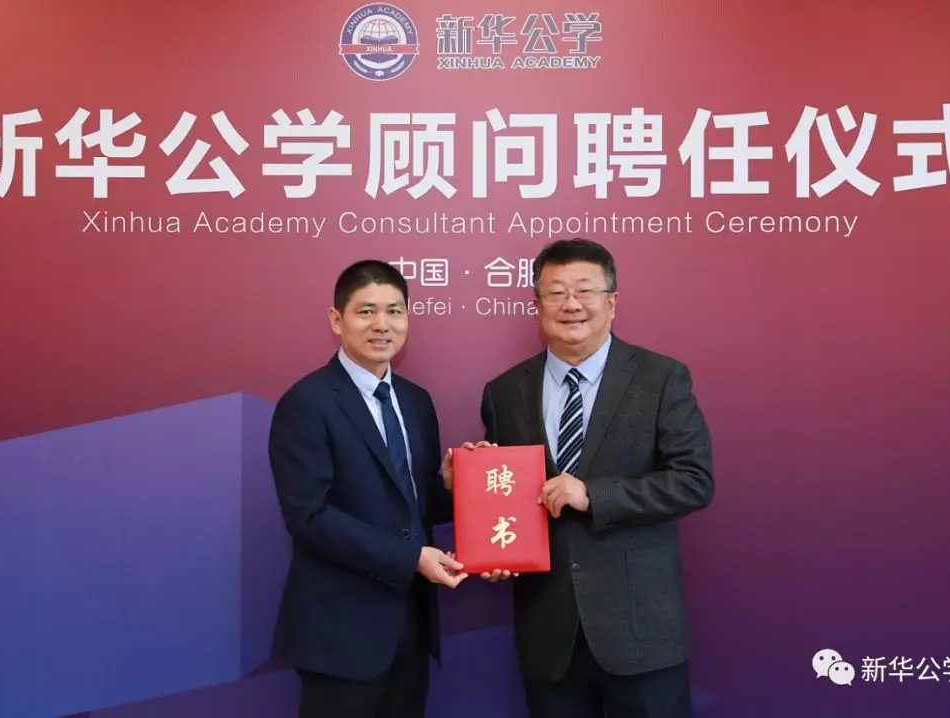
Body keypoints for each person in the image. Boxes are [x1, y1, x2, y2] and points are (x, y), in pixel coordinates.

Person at [446, 238, 714, 718]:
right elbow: (510, 498)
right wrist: (486, 522)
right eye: (556, 293)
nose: (571, 304)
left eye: (585, 290)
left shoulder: (660, 378)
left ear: (612, 301)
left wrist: (593, 495)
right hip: (549, 635)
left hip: (641, 631)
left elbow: (693, 480)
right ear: (537, 306)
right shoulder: (505, 391)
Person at [268, 259, 466, 718]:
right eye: (366, 311)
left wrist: (451, 488)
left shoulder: (416, 401)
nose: (382, 325)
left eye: (394, 311)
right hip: (340, 631)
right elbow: (308, 516)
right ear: (337, 319)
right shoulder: (307, 402)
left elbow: (412, 507)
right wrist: (410, 558)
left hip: (410, 623)